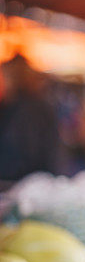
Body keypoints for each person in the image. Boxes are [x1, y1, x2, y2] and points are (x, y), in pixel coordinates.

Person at [0, 55, 67, 184]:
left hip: (25, 185)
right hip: (38, 183)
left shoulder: (24, 108)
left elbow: (21, 154)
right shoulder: (41, 104)